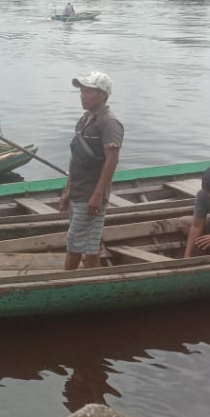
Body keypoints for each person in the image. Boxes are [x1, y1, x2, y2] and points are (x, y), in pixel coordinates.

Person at [59, 71, 123, 270]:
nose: (82, 95)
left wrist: (97, 195)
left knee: (75, 242)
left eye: (88, 91)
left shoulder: (109, 123)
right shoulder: (85, 119)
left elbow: (112, 161)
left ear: (102, 95)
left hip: (91, 192)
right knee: (89, 242)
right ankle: (93, 278)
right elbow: (75, 157)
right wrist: (67, 189)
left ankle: (65, 283)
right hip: (78, 189)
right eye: (82, 91)